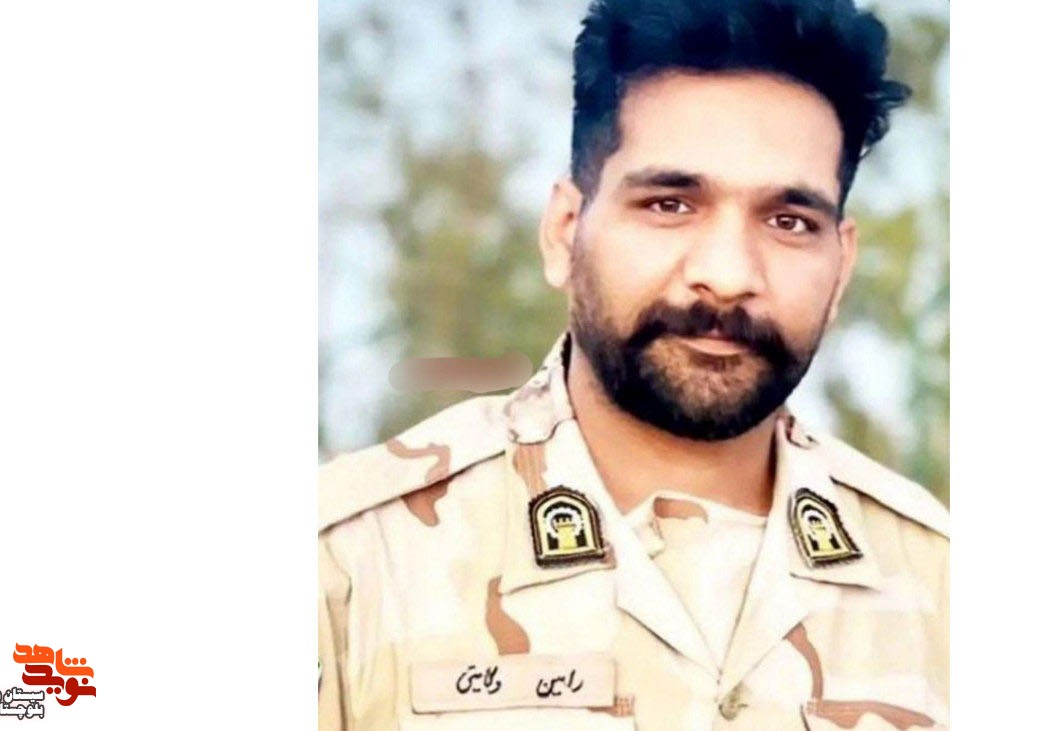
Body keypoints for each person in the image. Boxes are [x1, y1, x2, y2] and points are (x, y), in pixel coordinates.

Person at [318, 0, 949, 728]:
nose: (727, 275)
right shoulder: (350, 561)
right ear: (564, 232)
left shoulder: (940, 578)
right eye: (670, 204)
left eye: (788, 221)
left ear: (840, 269)